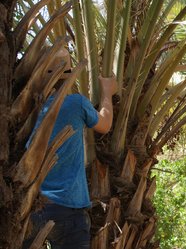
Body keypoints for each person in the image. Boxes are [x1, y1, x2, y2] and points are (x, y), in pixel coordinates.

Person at [22, 49, 118, 249]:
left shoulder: (32, 108)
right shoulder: (76, 103)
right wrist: (107, 92)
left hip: (34, 208)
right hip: (69, 210)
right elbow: (105, 124)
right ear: (69, 76)